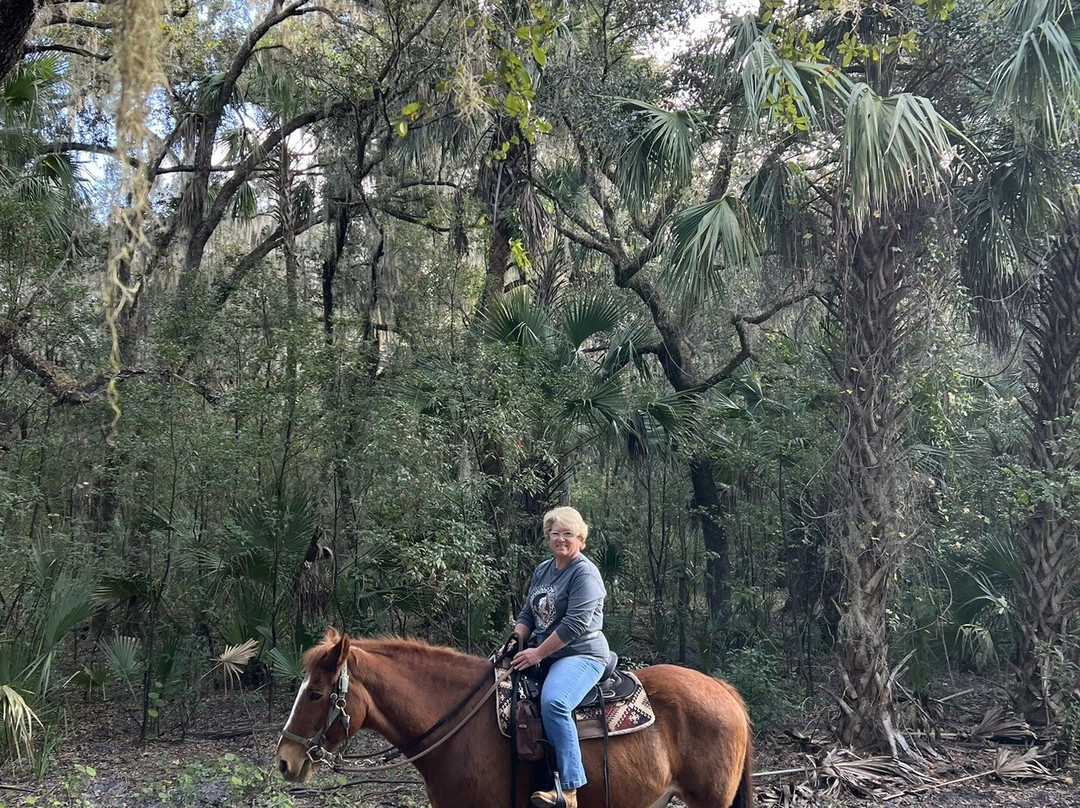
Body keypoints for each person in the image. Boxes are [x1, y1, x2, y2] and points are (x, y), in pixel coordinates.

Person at [509, 506, 609, 808]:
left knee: (555, 703)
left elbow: (575, 624)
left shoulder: (585, 573)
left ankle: (570, 789)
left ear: (581, 539)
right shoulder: (543, 569)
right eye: (555, 534)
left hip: (581, 654)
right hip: (543, 655)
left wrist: (537, 652)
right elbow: (528, 612)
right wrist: (516, 640)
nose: (561, 539)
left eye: (568, 534)